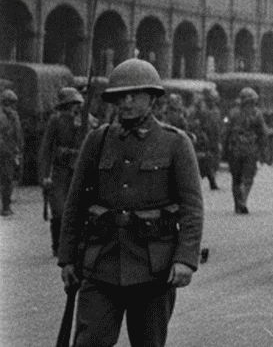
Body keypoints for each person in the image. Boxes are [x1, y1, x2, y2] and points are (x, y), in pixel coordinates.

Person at [56, 58, 203, 347]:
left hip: (154, 269)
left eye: (135, 95)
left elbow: (192, 208)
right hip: (101, 264)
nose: (127, 102)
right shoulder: (97, 141)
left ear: (152, 98)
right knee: (90, 342)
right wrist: (67, 258)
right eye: (120, 96)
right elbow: (75, 203)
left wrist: (185, 260)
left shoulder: (175, 143)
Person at [39, 86, 91, 252]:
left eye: (77, 104)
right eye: (72, 104)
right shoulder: (56, 120)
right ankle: (57, 245)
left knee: (78, 210)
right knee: (59, 211)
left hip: (78, 170)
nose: (75, 107)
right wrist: (45, 175)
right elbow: (46, 148)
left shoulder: (85, 119)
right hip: (60, 170)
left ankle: (74, 244)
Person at [220, 88, 270, 214]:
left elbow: (225, 133)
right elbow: (263, 134)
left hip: (234, 150)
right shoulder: (257, 114)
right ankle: (242, 201)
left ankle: (238, 204)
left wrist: (224, 151)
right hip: (250, 150)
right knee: (247, 178)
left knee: (235, 178)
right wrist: (264, 152)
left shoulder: (232, 113)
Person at [192, 94, 222, 191]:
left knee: (207, 161)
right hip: (198, 139)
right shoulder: (196, 113)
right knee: (203, 161)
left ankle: (211, 182)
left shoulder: (208, 113)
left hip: (206, 140)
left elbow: (213, 127)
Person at [0, 89, 21, 216]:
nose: (13, 107)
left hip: (10, 152)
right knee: (7, 179)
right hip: (3, 152)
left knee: (9, 179)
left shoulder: (14, 116)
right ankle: (6, 206)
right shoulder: (2, 117)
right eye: (10, 103)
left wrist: (16, 149)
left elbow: (17, 136)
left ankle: (6, 205)